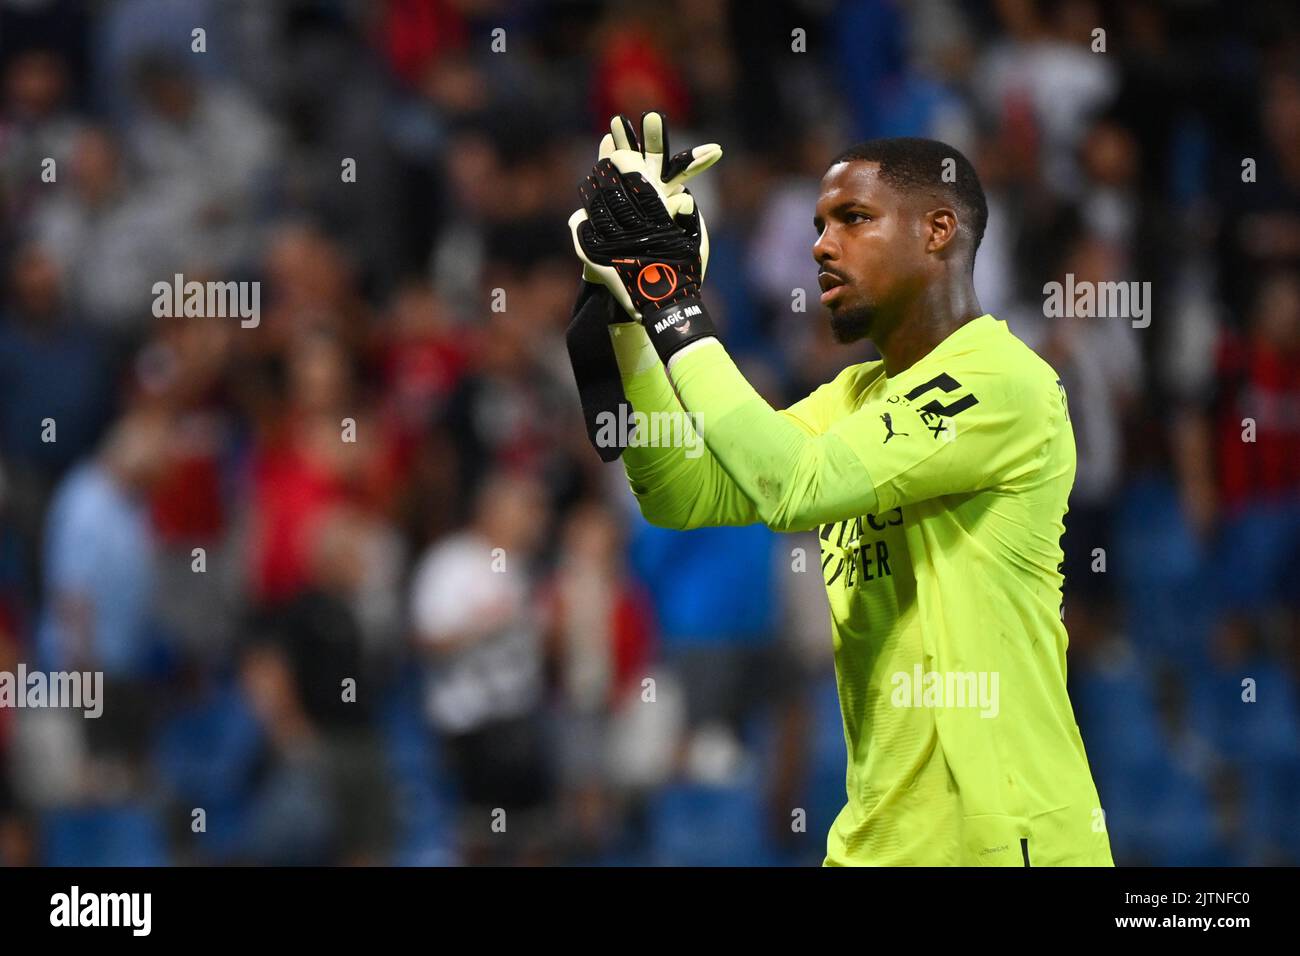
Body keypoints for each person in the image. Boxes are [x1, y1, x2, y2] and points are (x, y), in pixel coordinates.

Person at [566, 112, 1113, 866]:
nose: (821, 246)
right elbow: (678, 495)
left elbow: (797, 486)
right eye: (819, 224)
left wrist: (674, 305)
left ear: (938, 230)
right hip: (871, 845)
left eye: (853, 219)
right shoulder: (851, 397)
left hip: (999, 841)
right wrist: (634, 318)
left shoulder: (1005, 381)